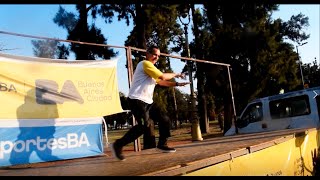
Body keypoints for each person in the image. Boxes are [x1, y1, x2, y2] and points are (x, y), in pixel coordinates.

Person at [111, 45, 190, 161]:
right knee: (144, 126)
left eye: (158, 56)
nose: (156, 57)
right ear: (147, 54)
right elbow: (163, 76)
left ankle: (162, 144)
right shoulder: (145, 64)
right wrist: (177, 74)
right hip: (136, 100)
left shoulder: (151, 69)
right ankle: (118, 144)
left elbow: (162, 82)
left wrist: (177, 84)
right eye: (154, 55)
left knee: (165, 119)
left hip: (148, 102)